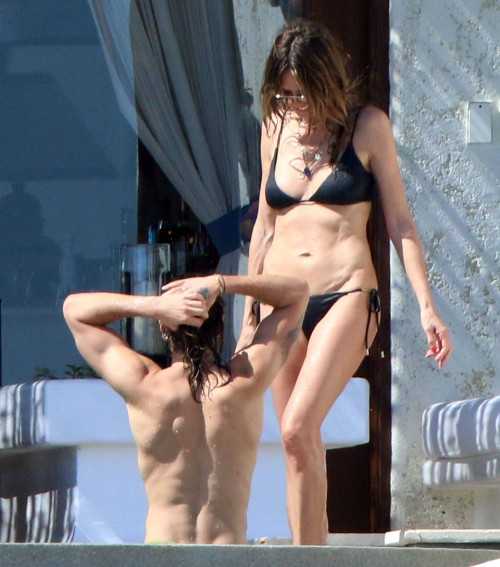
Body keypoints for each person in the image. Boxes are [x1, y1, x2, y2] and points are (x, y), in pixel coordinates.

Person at [236, 19, 454, 545]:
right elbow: (264, 227)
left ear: (327, 81)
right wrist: (247, 317)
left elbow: (400, 223)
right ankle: (310, 552)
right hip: (282, 299)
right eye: (284, 95)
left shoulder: (367, 127)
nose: (294, 105)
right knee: (295, 442)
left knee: (298, 425)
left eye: (302, 94)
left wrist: (427, 306)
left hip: (346, 294)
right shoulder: (275, 128)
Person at [63, 272, 308, 544]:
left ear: (164, 327)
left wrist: (154, 306)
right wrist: (221, 283)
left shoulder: (146, 387)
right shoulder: (244, 382)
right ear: (219, 328)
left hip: (164, 555)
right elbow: (297, 293)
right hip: (227, 556)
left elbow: (74, 310)